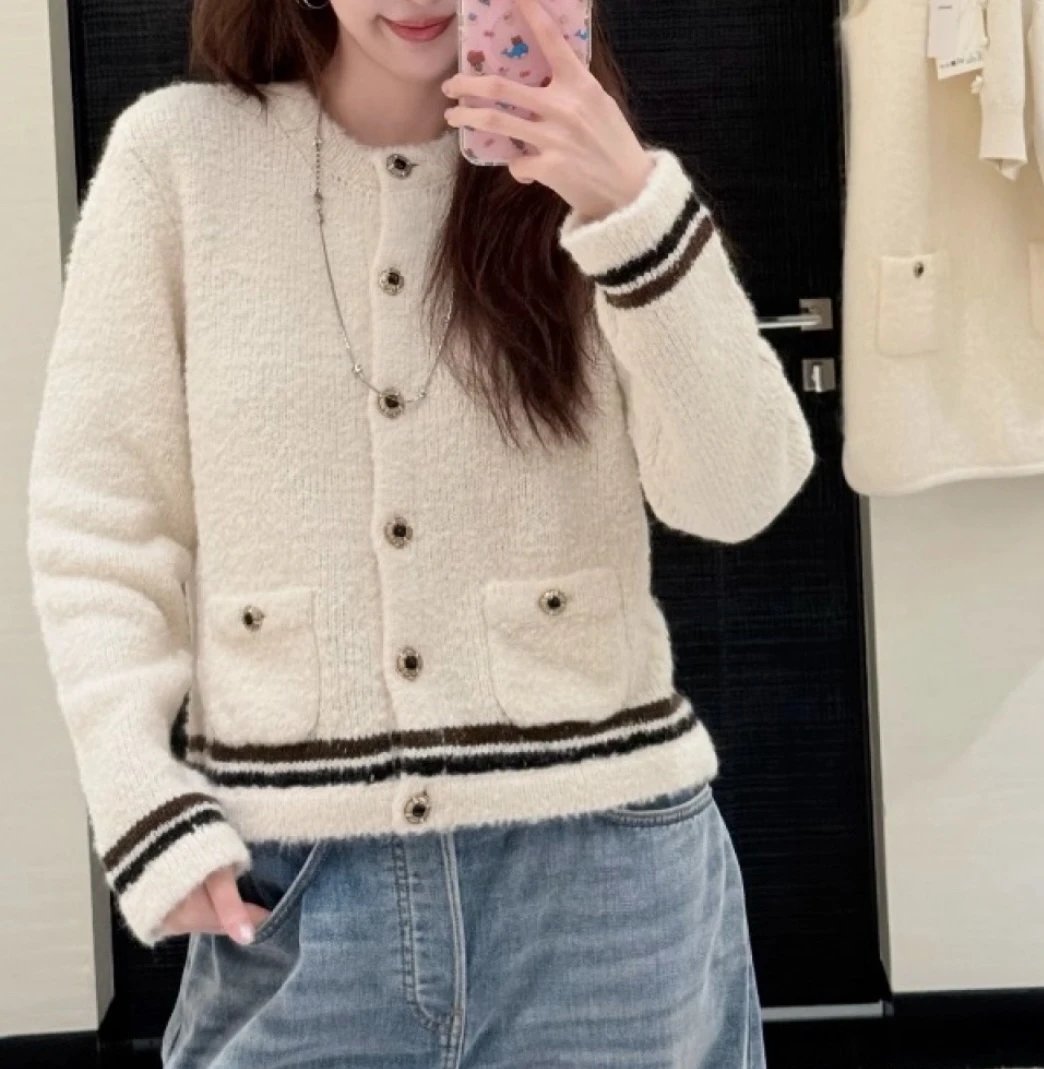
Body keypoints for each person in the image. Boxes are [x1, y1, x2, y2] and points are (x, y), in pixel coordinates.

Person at [26, 0, 816, 1063]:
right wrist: (142, 801)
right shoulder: (176, 162)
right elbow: (98, 526)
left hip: (605, 886)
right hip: (295, 889)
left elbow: (741, 491)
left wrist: (628, 205)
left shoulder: (593, 178)